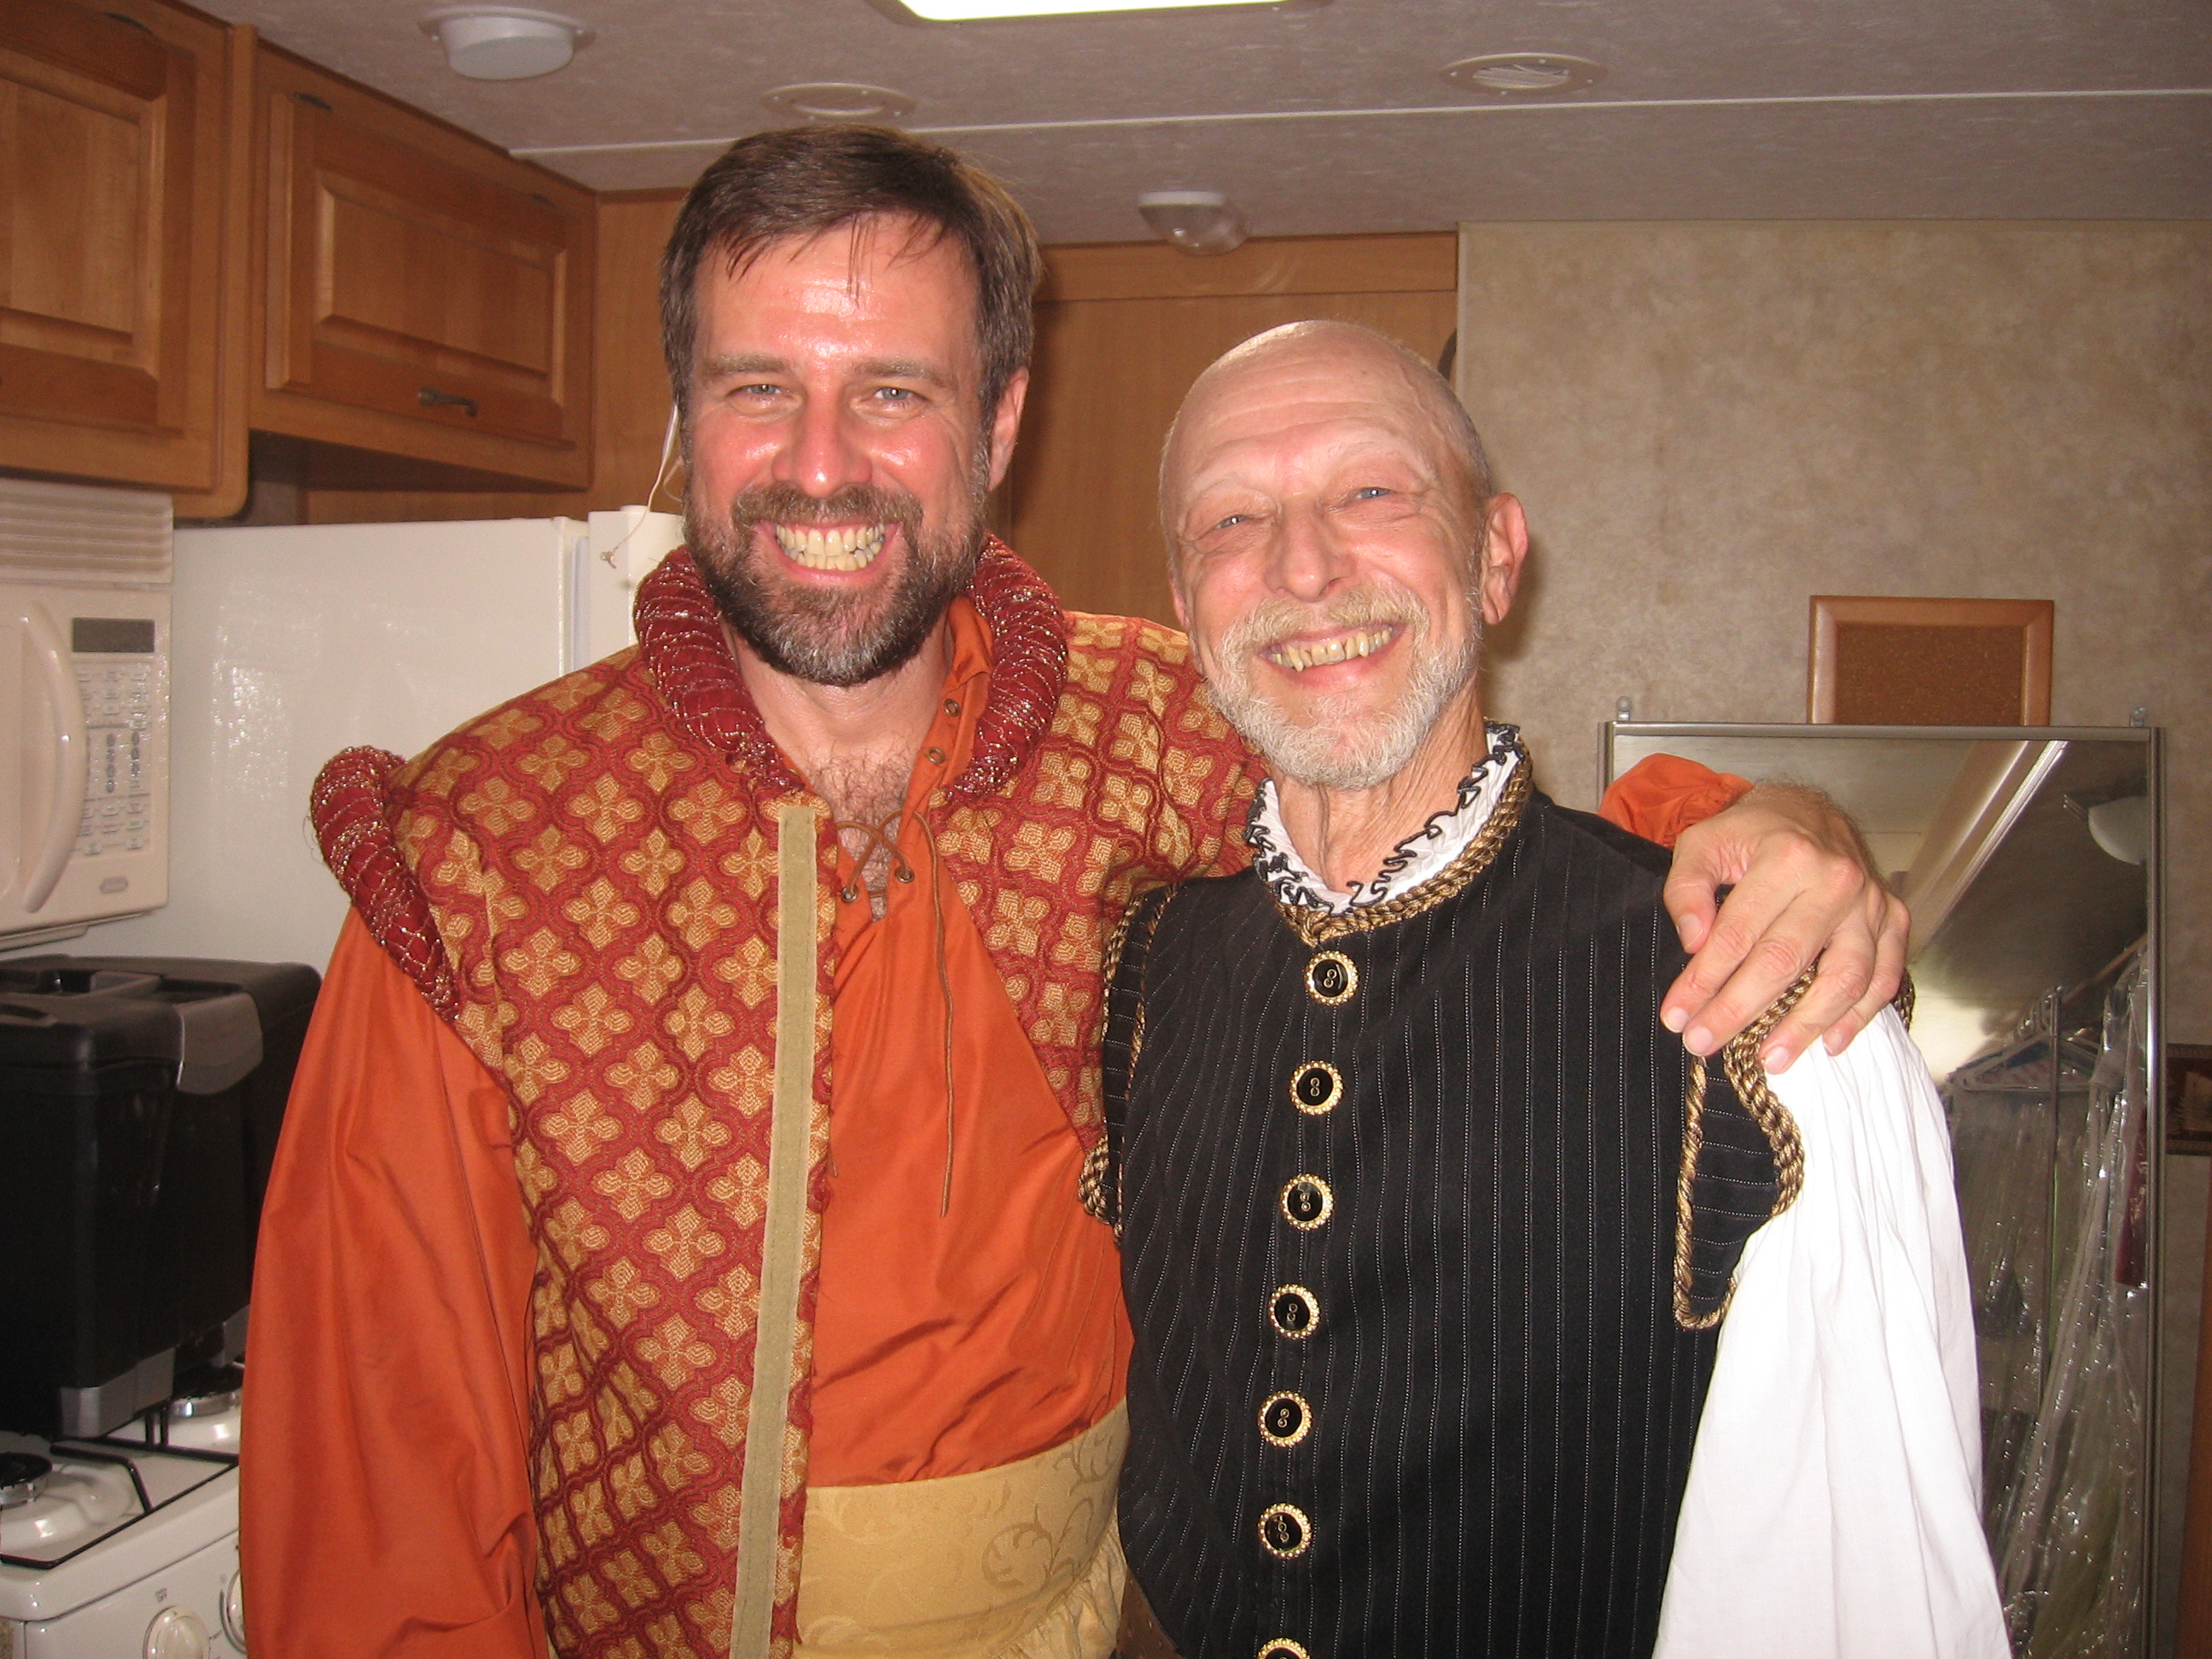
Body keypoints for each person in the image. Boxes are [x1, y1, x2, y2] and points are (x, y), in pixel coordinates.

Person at [242, 127, 1905, 1659]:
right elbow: (380, 1446)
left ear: (999, 423)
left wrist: (1756, 824)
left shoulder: (1161, 727)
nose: (823, 467)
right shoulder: (483, 848)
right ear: (686, 411)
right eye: (761, 389)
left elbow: (1441, 833)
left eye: (894, 391)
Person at [1102, 319, 2005, 1659]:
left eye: (1371, 493)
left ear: (1494, 557)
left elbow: (1846, 1592)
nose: (1303, 565)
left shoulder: (1758, 993)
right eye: (1234, 519)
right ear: (1187, 605)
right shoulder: (1144, 961)